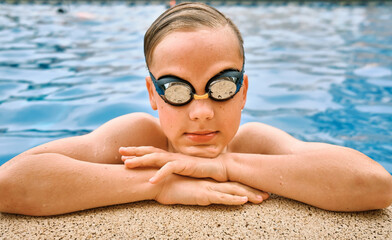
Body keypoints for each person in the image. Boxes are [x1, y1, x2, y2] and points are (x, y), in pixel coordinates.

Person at [0, 2, 391, 216]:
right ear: (153, 95)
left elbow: (374, 185)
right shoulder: (137, 136)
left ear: (243, 91)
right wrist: (159, 186)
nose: (201, 111)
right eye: (175, 89)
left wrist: (225, 166)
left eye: (221, 86)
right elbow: (11, 184)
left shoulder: (253, 143)